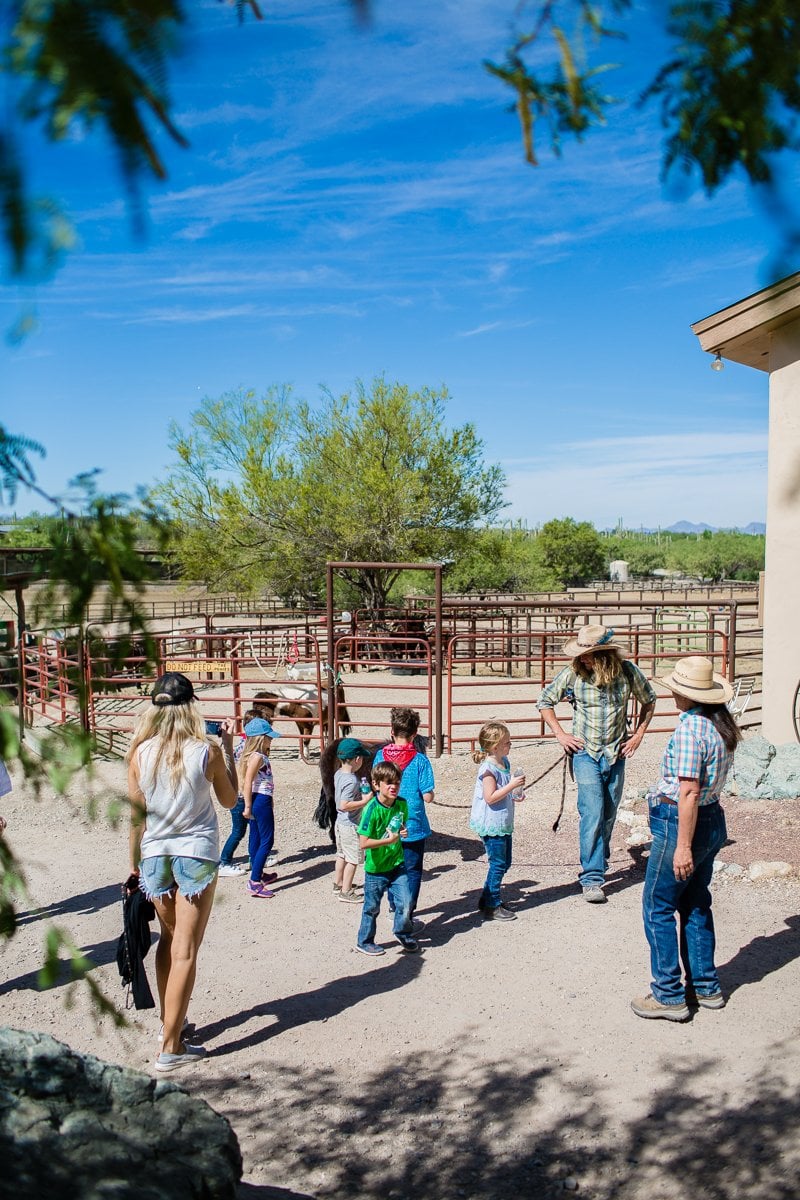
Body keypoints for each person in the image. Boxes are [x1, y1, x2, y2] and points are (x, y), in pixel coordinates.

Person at [127, 671, 238, 1072]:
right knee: (186, 949)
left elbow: (136, 818)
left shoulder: (139, 753)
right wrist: (226, 748)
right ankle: (171, 1046)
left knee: (168, 940)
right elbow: (229, 801)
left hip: (155, 855)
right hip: (194, 853)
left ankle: (168, 1025)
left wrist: (133, 865)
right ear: (192, 707)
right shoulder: (205, 752)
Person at [632, 655, 739, 1022]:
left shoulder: (691, 730)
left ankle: (668, 993)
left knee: (658, 905)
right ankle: (705, 985)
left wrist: (681, 845)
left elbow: (689, 791)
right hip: (711, 818)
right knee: (694, 901)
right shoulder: (720, 726)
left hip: (681, 821)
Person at [538, 623, 656, 903]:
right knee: (592, 811)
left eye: (589, 654)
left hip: (616, 752)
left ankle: (598, 855)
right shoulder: (573, 674)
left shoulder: (627, 672)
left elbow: (649, 700)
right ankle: (592, 877)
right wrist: (560, 734)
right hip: (585, 752)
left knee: (609, 812)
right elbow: (545, 701)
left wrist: (638, 735)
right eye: (582, 654)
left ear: (604, 655)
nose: (583, 658)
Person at [371, 706, 434, 922]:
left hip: (387, 821)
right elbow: (428, 796)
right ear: (415, 734)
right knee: (413, 869)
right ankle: (407, 912)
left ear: (392, 732)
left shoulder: (380, 755)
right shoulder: (420, 761)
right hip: (413, 822)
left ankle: (393, 907)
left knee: (392, 866)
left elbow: (375, 786)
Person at [356, 760, 418, 957]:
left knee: (406, 901)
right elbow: (363, 843)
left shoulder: (401, 804)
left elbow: (399, 826)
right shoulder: (370, 810)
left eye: (397, 783)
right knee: (372, 907)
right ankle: (364, 941)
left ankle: (402, 932)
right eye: (388, 783)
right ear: (376, 784)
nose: (393, 787)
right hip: (376, 869)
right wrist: (388, 841)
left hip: (397, 863)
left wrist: (403, 831)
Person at [469, 721, 526, 921]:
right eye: (507, 743)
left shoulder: (505, 763)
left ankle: (487, 898)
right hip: (492, 823)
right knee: (498, 864)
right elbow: (490, 797)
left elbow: (504, 791)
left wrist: (516, 792)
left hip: (503, 821)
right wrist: (511, 786)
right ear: (495, 746)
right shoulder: (488, 770)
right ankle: (492, 905)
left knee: (504, 862)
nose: (510, 745)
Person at [218, 706, 269, 877]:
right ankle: (224, 861)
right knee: (239, 831)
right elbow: (246, 777)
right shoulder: (250, 750)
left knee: (252, 829)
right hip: (241, 796)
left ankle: (255, 859)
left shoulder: (243, 746)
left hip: (242, 794)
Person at [239, 716, 282, 898]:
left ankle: (259, 872)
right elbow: (248, 781)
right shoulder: (258, 756)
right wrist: (248, 806)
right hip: (259, 800)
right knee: (267, 840)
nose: (271, 740)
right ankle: (255, 881)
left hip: (260, 798)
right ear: (260, 738)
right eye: (268, 736)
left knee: (256, 837)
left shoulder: (255, 756)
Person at [333, 737, 371, 902]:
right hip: (350, 825)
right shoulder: (352, 781)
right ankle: (346, 891)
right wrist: (364, 801)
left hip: (340, 824)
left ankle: (338, 883)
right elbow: (344, 804)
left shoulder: (339, 774)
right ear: (357, 759)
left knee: (341, 854)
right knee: (353, 859)